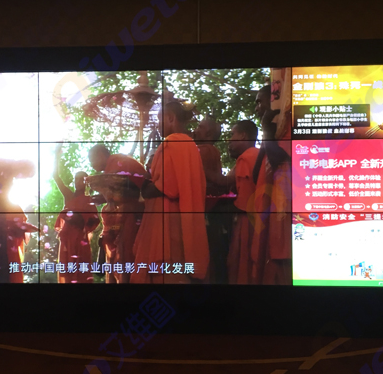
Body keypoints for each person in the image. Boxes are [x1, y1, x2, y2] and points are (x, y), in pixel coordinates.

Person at [131, 100, 209, 284]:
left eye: (160, 119)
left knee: (165, 272)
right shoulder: (190, 145)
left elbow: (167, 187)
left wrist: (145, 183)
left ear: (171, 118)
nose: (158, 125)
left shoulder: (171, 143)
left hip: (166, 219)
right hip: (181, 217)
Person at [251, 84, 293, 285]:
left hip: (284, 212)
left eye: (260, 102)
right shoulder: (271, 136)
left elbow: (277, 158)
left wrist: (267, 128)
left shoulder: (288, 127)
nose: (256, 108)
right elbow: (255, 173)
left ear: (274, 102)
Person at [88, 144, 148, 283]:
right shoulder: (112, 166)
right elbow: (121, 192)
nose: (91, 164)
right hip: (126, 214)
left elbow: (129, 192)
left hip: (132, 215)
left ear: (101, 155)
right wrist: (103, 197)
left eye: (92, 159)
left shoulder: (116, 164)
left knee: (125, 257)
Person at [53, 147, 100, 284]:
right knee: (67, 269)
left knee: (82, 269)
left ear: (86, 182)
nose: (78, 182)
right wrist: (56, 155)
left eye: (81, 179)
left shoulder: (90, 201)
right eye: (76, 179)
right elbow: (56, 176)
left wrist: (82, 221)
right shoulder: (69, 195)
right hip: (67, 238)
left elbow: (94, 221)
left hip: (81, 239)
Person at [226, 120, 260, 284]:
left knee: (242, 264)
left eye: (233, 134)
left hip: (248, 220)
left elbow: (244, 203)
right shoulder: (257, 154)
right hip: (261, 219)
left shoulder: (246, 158)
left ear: (243, 136)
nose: (230, 140)